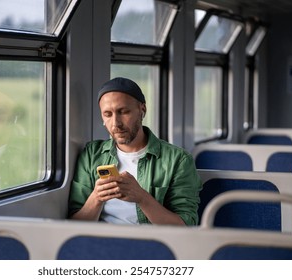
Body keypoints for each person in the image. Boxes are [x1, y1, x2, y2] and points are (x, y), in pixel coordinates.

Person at [68, 77, 202, 225]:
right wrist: (96, 198)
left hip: (152, 244)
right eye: (108, 114)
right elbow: (75, 224)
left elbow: (186, 226)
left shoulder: (178, 160)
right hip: (102, 243)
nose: (116, 123)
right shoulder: (91, 154)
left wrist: (142, 198)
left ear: (142, 110)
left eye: (124, 112)